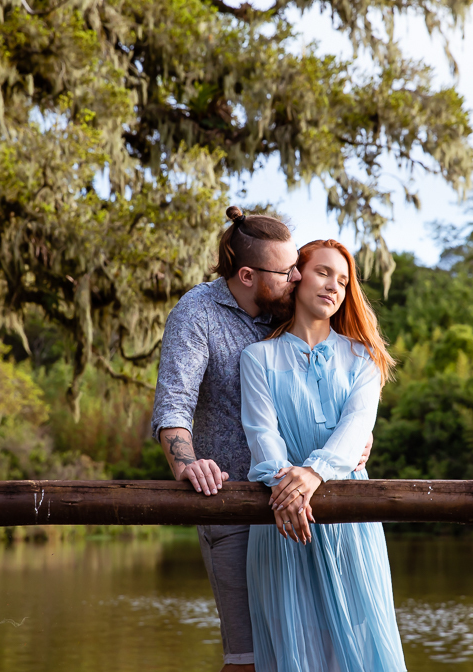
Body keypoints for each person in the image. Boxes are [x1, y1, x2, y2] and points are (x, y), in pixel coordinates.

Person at [151, 207, 373, 672]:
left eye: (298, 266)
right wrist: (186, 463)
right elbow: (174, 402)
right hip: (235, 504)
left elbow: (335, 386)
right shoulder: (197, 314)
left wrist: (352, 446)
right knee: (249, 657)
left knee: (322, 652)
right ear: (248, 275)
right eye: (287, 270)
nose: (297, 277)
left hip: (311, 506)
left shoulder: (286, 307)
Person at [239, 239, 406, 672]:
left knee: (358, 644)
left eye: (344, 281)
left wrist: (313, 472)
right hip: (283, 519)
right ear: (296, 277)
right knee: (293, 648)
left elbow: (356, 430)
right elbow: (262, 434)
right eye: (323, 272)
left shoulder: (363, 359)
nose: (335, 286)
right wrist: (286, 486)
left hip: (350, 520)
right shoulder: (257, 358)